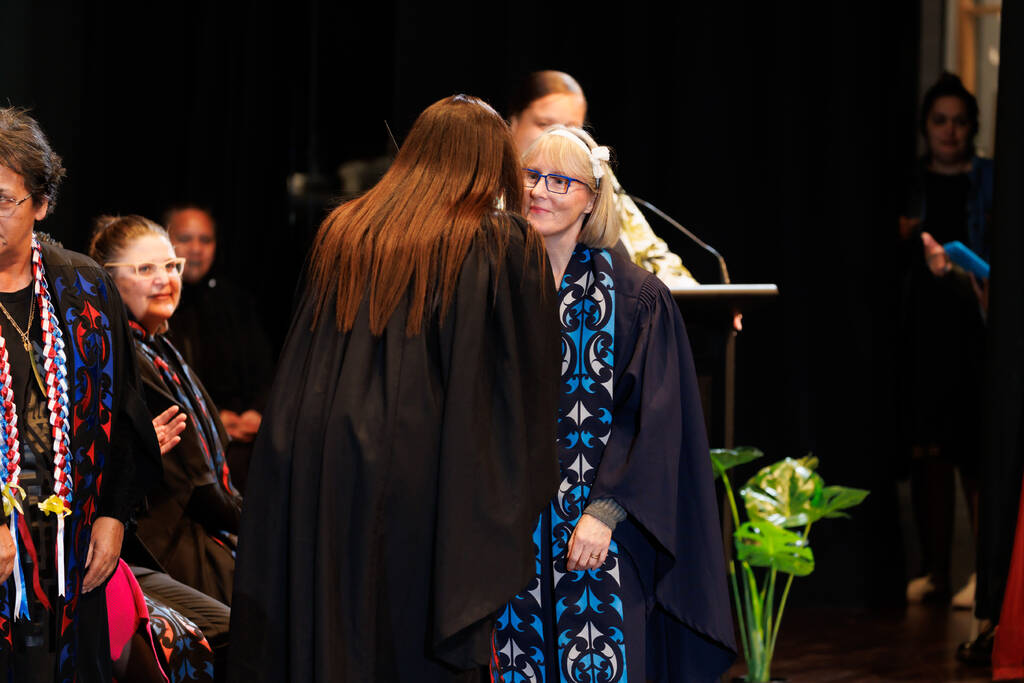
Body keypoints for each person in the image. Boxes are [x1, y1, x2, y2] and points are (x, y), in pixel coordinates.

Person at [228, 94, 561, 682]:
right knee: (405, 624)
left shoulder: (345, 228)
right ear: (492, 162)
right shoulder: (499, 240)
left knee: (333, 607)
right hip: (421, 458)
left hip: (318, 447)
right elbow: (523, 383)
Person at [492, 125, 734, 682]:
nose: (540, 191)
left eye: (560, 181)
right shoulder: (495, 286)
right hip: (508, 532)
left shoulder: (635, 298)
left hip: (602, 536)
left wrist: (605, 513)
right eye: (531, 177)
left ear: (592, 200)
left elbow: (654, 421)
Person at [0, 107, 160, 681]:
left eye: (2, 200)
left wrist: (115, 517)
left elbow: (122, 415)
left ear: (40, 204)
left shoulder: (85, 288)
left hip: (73, 551)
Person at [89, 215, 241, 607]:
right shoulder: (122, 357)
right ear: (108, 279)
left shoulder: (162, 348)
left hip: (200, 525)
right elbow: (196, 490)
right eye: (145, 269)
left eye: (171, 266)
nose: (165, 279)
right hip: (166, 539)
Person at [898, 73, 992, 611]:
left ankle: (984, 571)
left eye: (960, 121)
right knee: (927, 454)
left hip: (976, 335)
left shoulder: (990, 180)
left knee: (975, 456)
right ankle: (934, 571)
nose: (950, 131)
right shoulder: (911, 184)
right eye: (940, 120)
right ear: (926, 127)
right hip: (923, 335)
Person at [508, 71, 699, 288]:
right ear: (513, 123)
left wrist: (705, 304)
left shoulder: (594, 178)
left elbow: (650, 256)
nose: (558, 136)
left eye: (571, 127)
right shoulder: (492, 179)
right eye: (545, 124)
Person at [164, 206, 274, 494]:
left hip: (246, 433)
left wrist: (258, 412)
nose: (197, 249)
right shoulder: (158, 306)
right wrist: (214, 418)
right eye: (186, 238)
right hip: (191, 440)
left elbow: (266, 369)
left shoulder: (236, 303)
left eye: (206, 240)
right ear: (166, 241)